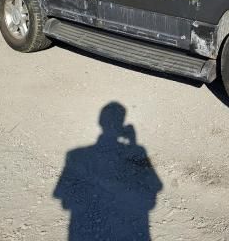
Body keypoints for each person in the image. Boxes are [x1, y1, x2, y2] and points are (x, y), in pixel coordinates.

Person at [54, 102, 162, 240]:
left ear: (100, 122)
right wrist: (133, 145)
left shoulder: (76, 155)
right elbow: (154, 189)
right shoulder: (138, 152)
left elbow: (64, 199)